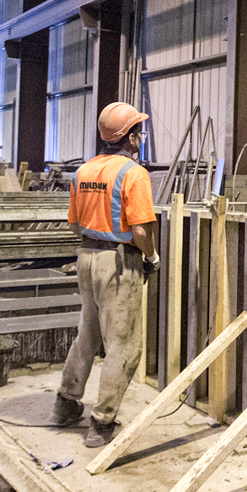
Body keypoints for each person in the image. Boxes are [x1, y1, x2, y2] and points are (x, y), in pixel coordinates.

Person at [53, 101, 160, 447]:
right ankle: (101, 423)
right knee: (124, 346)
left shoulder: (83, 172)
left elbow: (73, 224)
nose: (141, 137)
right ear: (128, 137)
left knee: (87, 335)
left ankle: (65, 404)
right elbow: (142, 231)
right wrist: (152, 258)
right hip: (118, 263)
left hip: (85, 257)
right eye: (138, 131)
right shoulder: (133, 173)